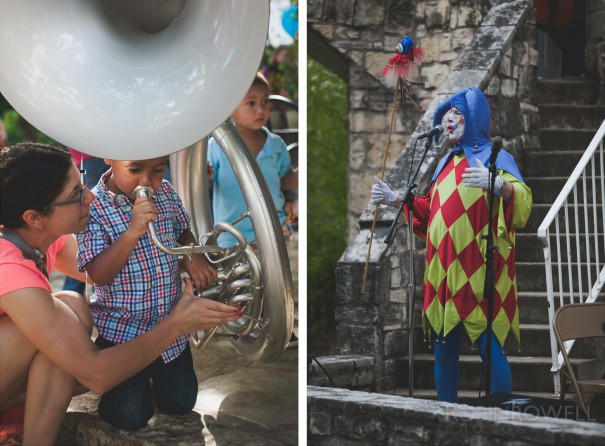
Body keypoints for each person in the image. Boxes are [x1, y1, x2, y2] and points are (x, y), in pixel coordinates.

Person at [0, 142, 241, 444]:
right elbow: (95, 375)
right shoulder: (8, 265)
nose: (90, 195)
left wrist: (190, 260)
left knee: (71, 308)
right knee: (58, 325)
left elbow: (113, 271)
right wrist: (178, 323)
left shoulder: (36, 240)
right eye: (76, 194)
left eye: (83, 180)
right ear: (34, 218)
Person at [371, 86, 532, 402]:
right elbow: (431, 209)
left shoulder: (496, 156)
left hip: (480, 272)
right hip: (444, 273)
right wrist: (394, 200)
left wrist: (500, 186)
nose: (449, 120)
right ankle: (445, 415)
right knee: (444, 351)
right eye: (446, 114)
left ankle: (504, 417)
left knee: (490, 347)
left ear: (474, 118)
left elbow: (524, 202)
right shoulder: (445, 162)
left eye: (457, 113)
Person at [76, 155, 219, 429]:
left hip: (170, 333)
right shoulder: (95, 206)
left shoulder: (164, 191)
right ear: (109, 158)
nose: (146, 181)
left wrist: (192, 256)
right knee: (132, 416)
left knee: (181, 403)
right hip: (123, 336)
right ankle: (122, 390)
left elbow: (182, 230)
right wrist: (132, 231)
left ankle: (144, 382)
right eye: (135, 169)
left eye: (156, 170)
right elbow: (98, 274)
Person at [207, 72, 298, 248]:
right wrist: (206, 174)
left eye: (265, 102)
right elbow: (206, 182)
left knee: (275, 275)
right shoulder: (218, 146)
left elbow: (284, 181)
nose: (260, 109)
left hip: (273, 229)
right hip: (233, 235)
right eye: (251, 103)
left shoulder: (276, 145)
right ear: (232, 108)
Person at [62, 149, 109, 294]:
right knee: (88, 221)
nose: (91, 197)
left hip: (86, 159)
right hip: (93, 157)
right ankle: (74, 289)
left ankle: (74, 289)